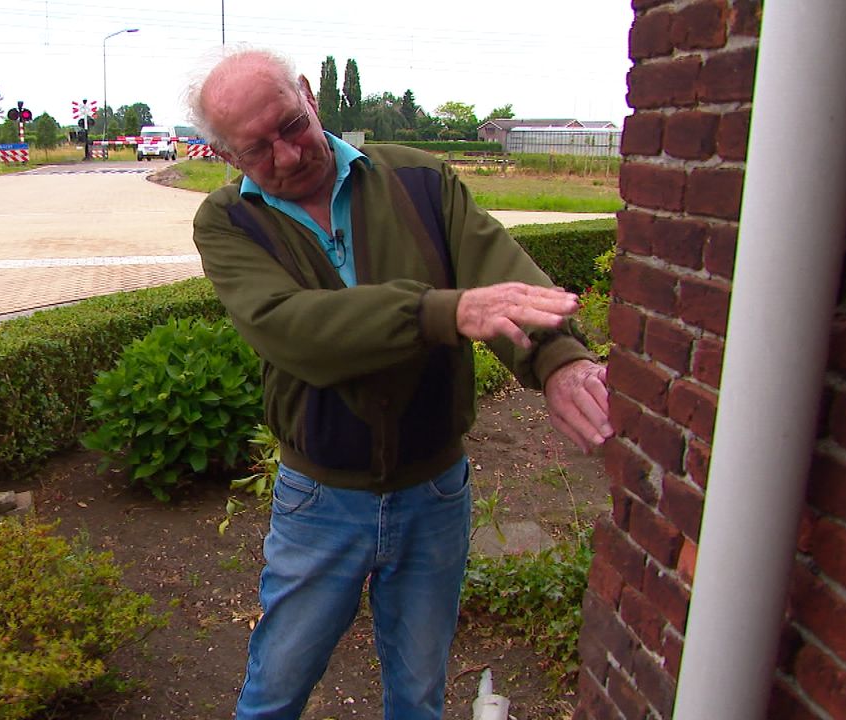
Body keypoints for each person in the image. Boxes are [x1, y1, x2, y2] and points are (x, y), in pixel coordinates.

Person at [185, 47, 612, 720]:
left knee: (419, 696)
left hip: (434, 491)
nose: (290, 155)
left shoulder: (419, 179)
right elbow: (294, 329)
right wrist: (444, 309)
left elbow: (500, 270)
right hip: (319, 500)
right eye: (258, 149)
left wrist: (560, 361)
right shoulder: (229, 222)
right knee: (275, 693)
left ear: (309, 95)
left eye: (292, 125)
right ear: (226, 156)